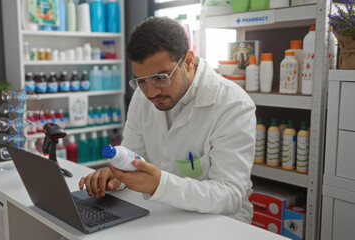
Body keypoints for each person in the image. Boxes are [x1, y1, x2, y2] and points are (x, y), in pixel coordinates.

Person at [79, 17, 256, 223]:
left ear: (188, 61)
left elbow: (230, 196)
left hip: (218, 222)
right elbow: (133, 158)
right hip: (158, 212)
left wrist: (160, 184)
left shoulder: (233, 105)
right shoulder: (141, 96)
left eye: (161, 78)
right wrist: (117, 177)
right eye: (141, 81)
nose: (152, 92)